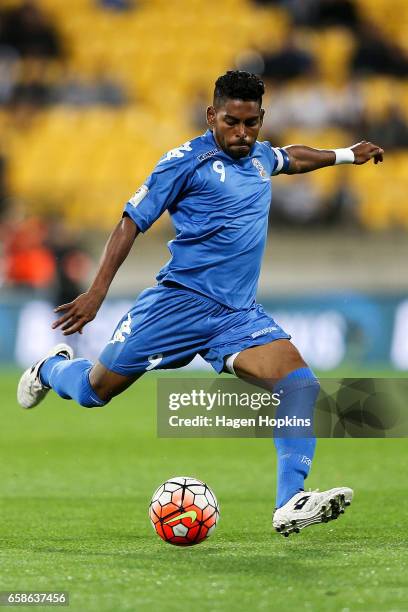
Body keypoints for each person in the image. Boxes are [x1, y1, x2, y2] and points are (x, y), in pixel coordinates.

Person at [17, 71, 384, 536]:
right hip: (176, 307)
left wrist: (348, 155)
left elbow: (291, 158)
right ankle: (50, 369)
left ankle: (290, 500)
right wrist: (96, 293)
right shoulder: (183, 162)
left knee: (300, 385)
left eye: (251, 123)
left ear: (261, 118)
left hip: (236, 316)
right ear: (212, 115)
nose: (242, 133)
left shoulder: (257, 157)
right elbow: (130, 222)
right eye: (232, 122)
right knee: (95, 391)